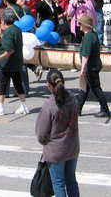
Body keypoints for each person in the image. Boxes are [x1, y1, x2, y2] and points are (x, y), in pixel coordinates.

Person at [35, 69, 80, 197]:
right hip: (72, 147)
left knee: (58, 183)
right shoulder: (72, 99)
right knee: (71, 180)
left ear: (48, 85)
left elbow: (41, 133)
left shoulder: (49, 105)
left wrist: (46, 142)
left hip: (56, 150)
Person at [0, 10, 28, 116]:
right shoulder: (17, 29)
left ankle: (0, 108)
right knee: (18, 84)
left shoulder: (8, 33)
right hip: (17, 62)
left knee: (2, 85)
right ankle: (24, 106)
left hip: (7, 63)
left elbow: (9, 51)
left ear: (4, 21)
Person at [76, 15, 109, 119]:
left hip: (91, 67)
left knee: (96, 89)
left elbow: (86, 55)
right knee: (84, 88)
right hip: (92, 66)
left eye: (80, 23)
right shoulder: (92, 34)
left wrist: (82, 69)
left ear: (85, 25)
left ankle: (105, 109)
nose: (79, 25)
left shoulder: (88, 37)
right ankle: (77, 109)